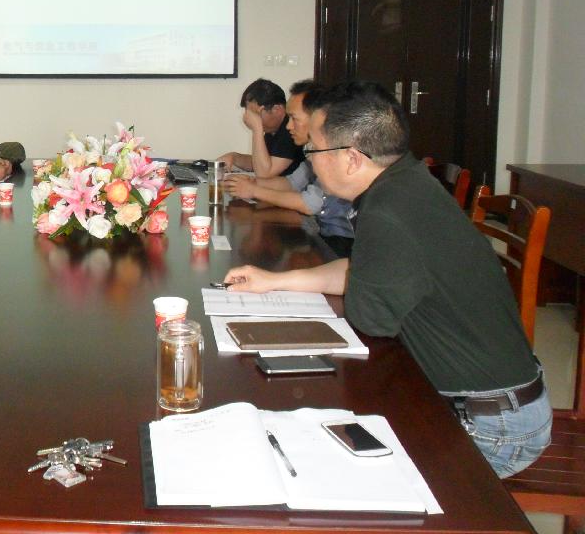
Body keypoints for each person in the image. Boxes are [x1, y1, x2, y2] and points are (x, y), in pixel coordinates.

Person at [222, 81, 551, 479]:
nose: (311, 161)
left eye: (314, 151)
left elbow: (370, 318)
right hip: (488, 400)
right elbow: (361, 268)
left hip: (490, 427)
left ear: (351, 159)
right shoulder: (404, 182)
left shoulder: (386, 212)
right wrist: (274, 280)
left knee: (327, 474)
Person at [224, 80, 354, 258]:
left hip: (341, 243)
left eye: (294, 118)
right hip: (323, 233)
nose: (288, 126)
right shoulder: (312, 151)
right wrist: (249, 183)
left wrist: (254, 190)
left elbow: (310, 204)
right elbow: (291, 183)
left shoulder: (332, 154)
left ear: (318, 117)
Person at [216, 78, 304, 178]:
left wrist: (257, 129)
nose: (251, 118)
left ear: (277, 109)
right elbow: (262, 163)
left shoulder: (291, 131)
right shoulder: (272, 130)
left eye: (255, 114)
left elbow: (265, 173)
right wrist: (234, 157)